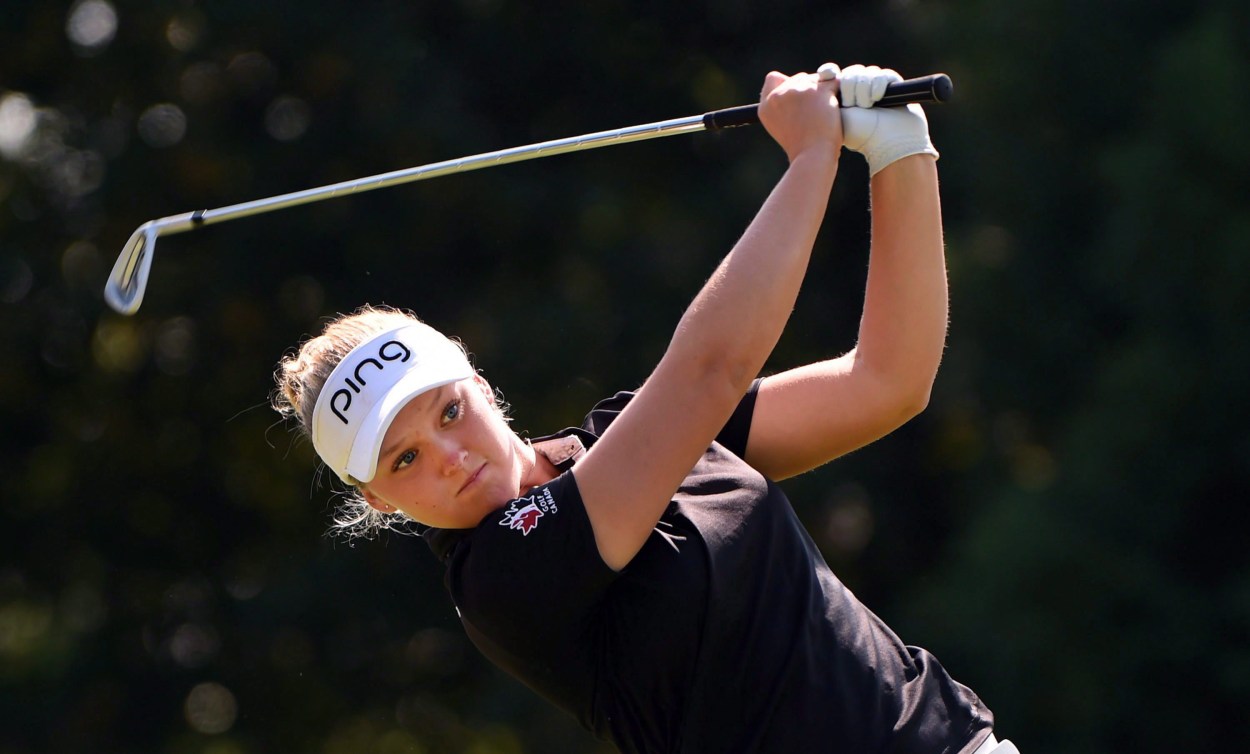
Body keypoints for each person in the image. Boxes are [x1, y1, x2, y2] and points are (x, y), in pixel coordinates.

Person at [272, 63, 1019, 754]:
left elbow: (888, 383)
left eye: (447, 412)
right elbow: (709, 369)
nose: (450, 456)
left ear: (474, 377)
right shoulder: (499, 579)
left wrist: (899, 154)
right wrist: (810, 157)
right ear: (375, 498)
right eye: (405, 460)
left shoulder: (623, 433)